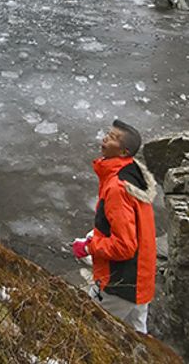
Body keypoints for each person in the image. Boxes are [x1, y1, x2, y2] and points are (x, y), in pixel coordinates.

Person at [71, 118, 157, 334]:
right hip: (141, 277)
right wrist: (95, 235)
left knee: (89, 329)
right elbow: (127, 226)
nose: (105, 139)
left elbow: (125, 246)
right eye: (108, 134)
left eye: (113, 138)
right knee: (138, 336)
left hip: (121, 284)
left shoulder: (117, 188)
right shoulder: (130, 172)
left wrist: (89, 247)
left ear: (123, 151)